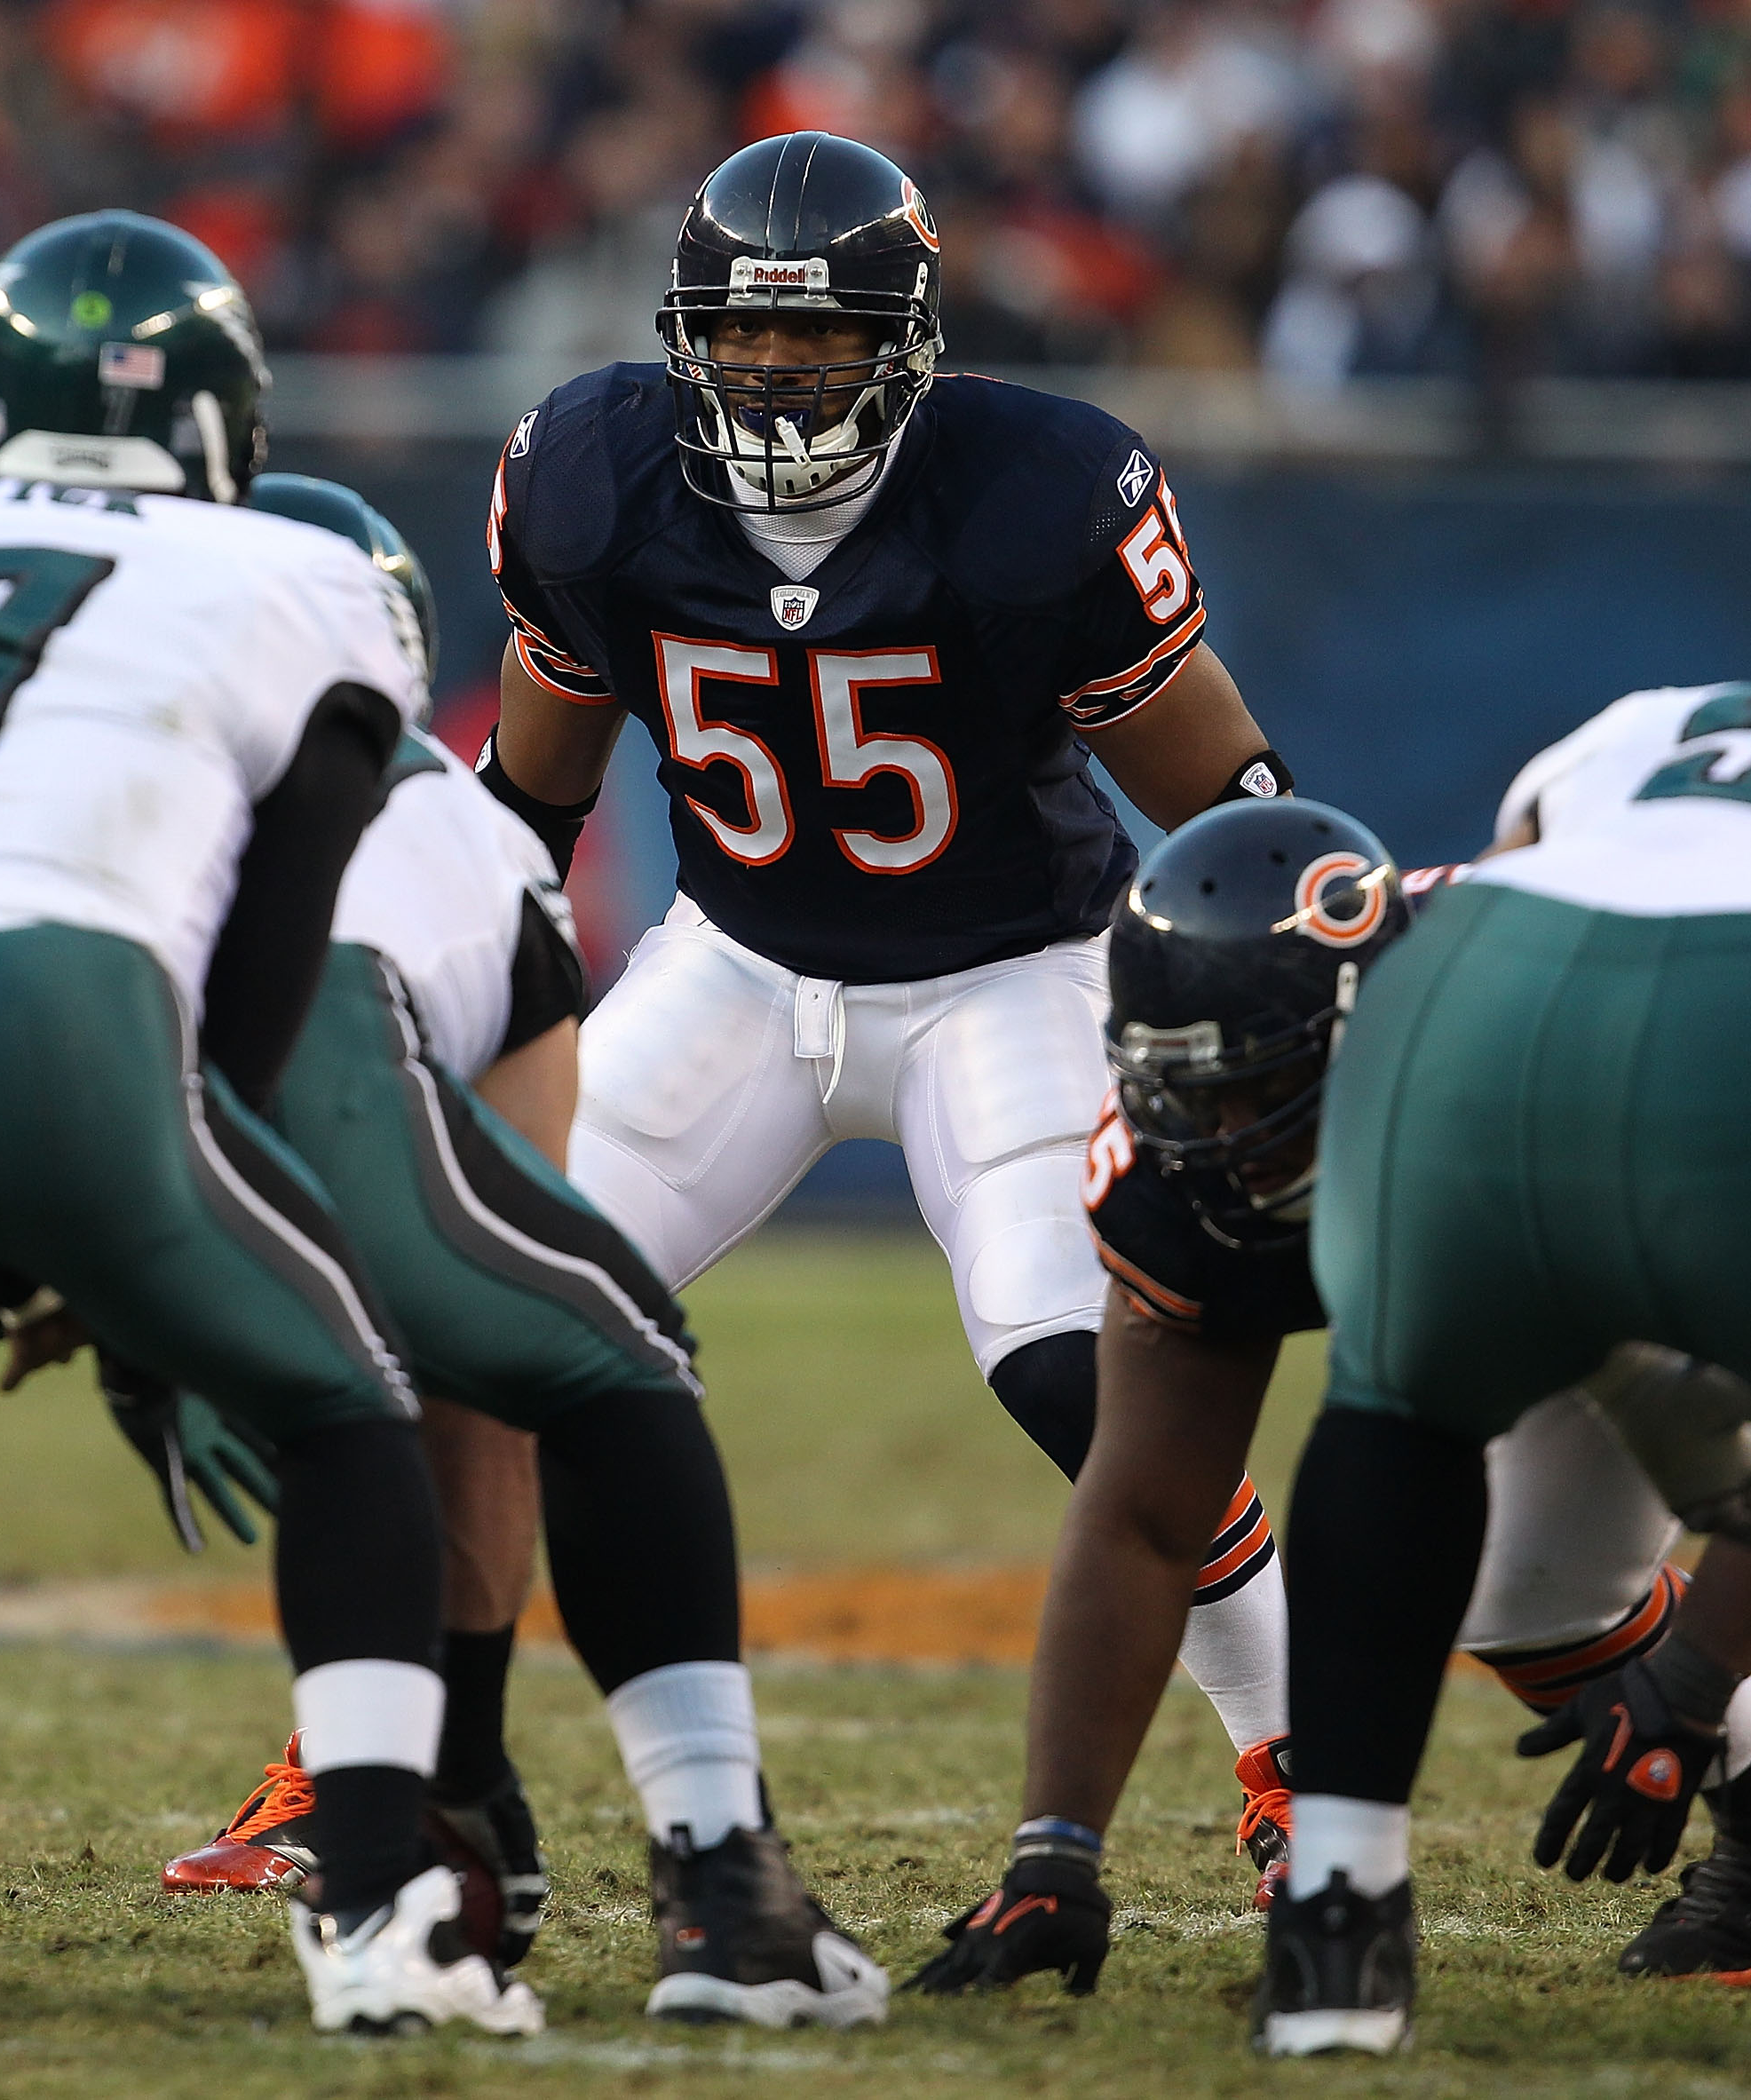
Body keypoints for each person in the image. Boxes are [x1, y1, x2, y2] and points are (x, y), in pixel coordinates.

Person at [0, 468, 891, 2033]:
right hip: (230, 1084)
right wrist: (189, 1294)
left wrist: (115, 1284)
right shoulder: (445, 819)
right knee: (593, 1345)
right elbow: (489, 1337)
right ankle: (688, 1864)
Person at [478, 128, 1304, 1880]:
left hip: (1006, 973)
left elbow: (1225, 797)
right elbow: (529, 813)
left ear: (911, 332)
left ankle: (1291, 1749)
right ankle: (373, 1760)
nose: (776, 366)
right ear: (684, 329)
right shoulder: (592, 472)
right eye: (744, 331)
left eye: (823, 331)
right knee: (469, 1328)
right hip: (734, 965)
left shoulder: (1032, 492)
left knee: (1072, 1372)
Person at [907, 798, 1751, 2009]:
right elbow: (1148, 1518)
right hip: (1523, 1218)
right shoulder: (1182, 1172)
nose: (1217, 1135)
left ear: (1368, 1040)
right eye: (1186, 1085)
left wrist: (1696, 1683)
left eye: (1252, 1086)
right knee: (1532, 1601)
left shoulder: (1582, 1057)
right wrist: (1055, 1846)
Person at [1259, 625, 1751, 2054]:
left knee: (1423, 1450)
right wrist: (1691, 1682)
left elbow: (1532, 857)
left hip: (1471, 1000)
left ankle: (1338, 1933)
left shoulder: (1695, 714)